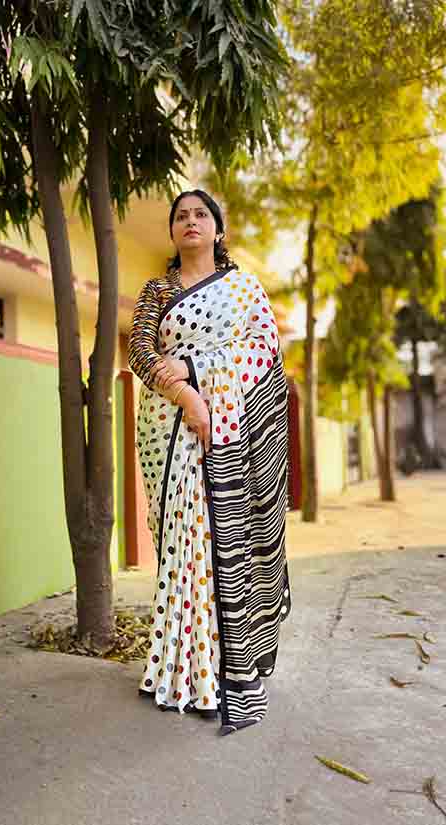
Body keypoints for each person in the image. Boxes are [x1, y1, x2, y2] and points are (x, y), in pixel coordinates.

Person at [128, 190, 291, 735]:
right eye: (181, 215)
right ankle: (181, 671)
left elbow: (264, 348)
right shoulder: (157, 290)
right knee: (181, 543)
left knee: (217, 541)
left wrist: (199, 367)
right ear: (172, 231)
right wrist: (190, 397)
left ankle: (226, 673)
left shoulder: (243, 289)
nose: (190, 221)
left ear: (218, 229)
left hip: (231, 435)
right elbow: (141, 355)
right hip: (168, 430)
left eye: (201, 214)